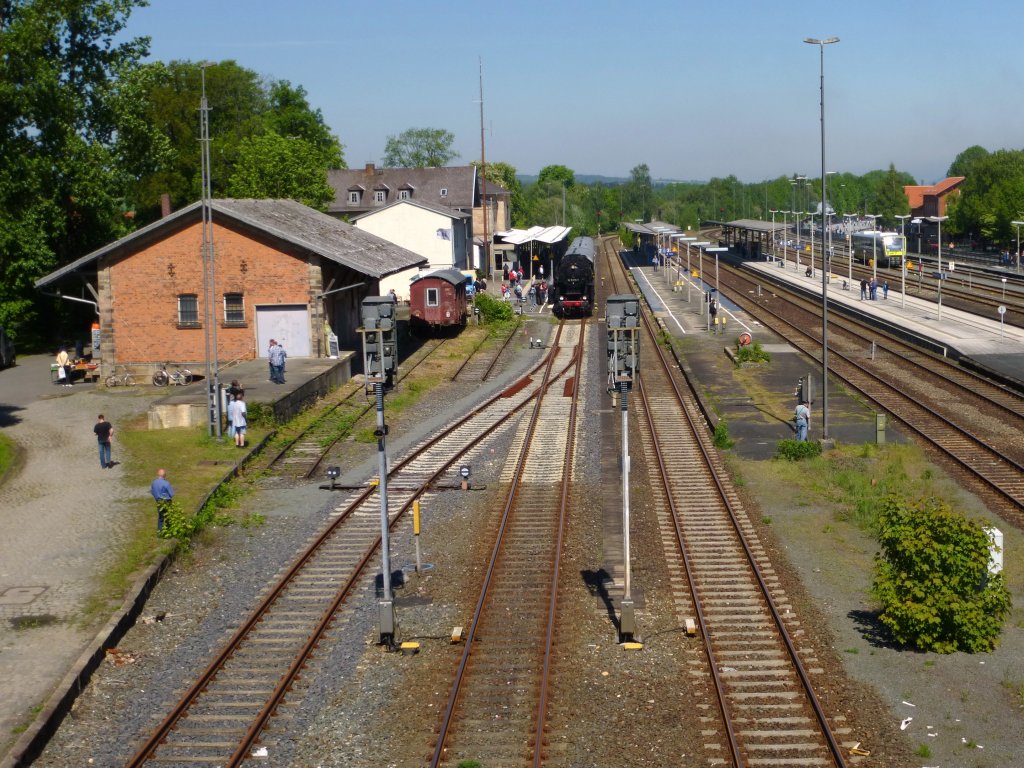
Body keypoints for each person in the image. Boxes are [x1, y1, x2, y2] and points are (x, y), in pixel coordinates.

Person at [150, 468, 174, 534]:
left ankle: (159, 532)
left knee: (160, 517)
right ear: (165, 475)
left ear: (158, 474)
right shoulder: (166, 483)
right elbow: (172, 494)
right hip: (167, 501)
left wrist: (156, 497)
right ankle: (169, 531)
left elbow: (152, 491)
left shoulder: (154, 482)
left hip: (158, 501)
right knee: (168, 516)